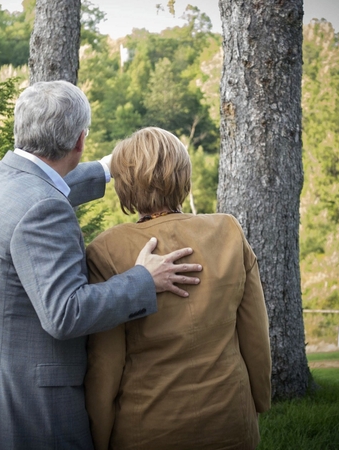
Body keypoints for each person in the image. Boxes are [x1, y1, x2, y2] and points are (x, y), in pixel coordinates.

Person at [0, 82, 203, 450]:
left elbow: (40, 183)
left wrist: (107, 170)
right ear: (80, 140)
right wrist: (144, 279)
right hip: (29, 410)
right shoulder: (44, 208)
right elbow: (65, 313)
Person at [84, 127, 272, 450]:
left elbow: (105, 366)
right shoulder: (228, 231)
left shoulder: (107, 250)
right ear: (183, 175)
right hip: (231, 421)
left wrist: (98, 438)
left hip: (148, 429)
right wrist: (260, 401)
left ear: (124, 185)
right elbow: (256, 337)